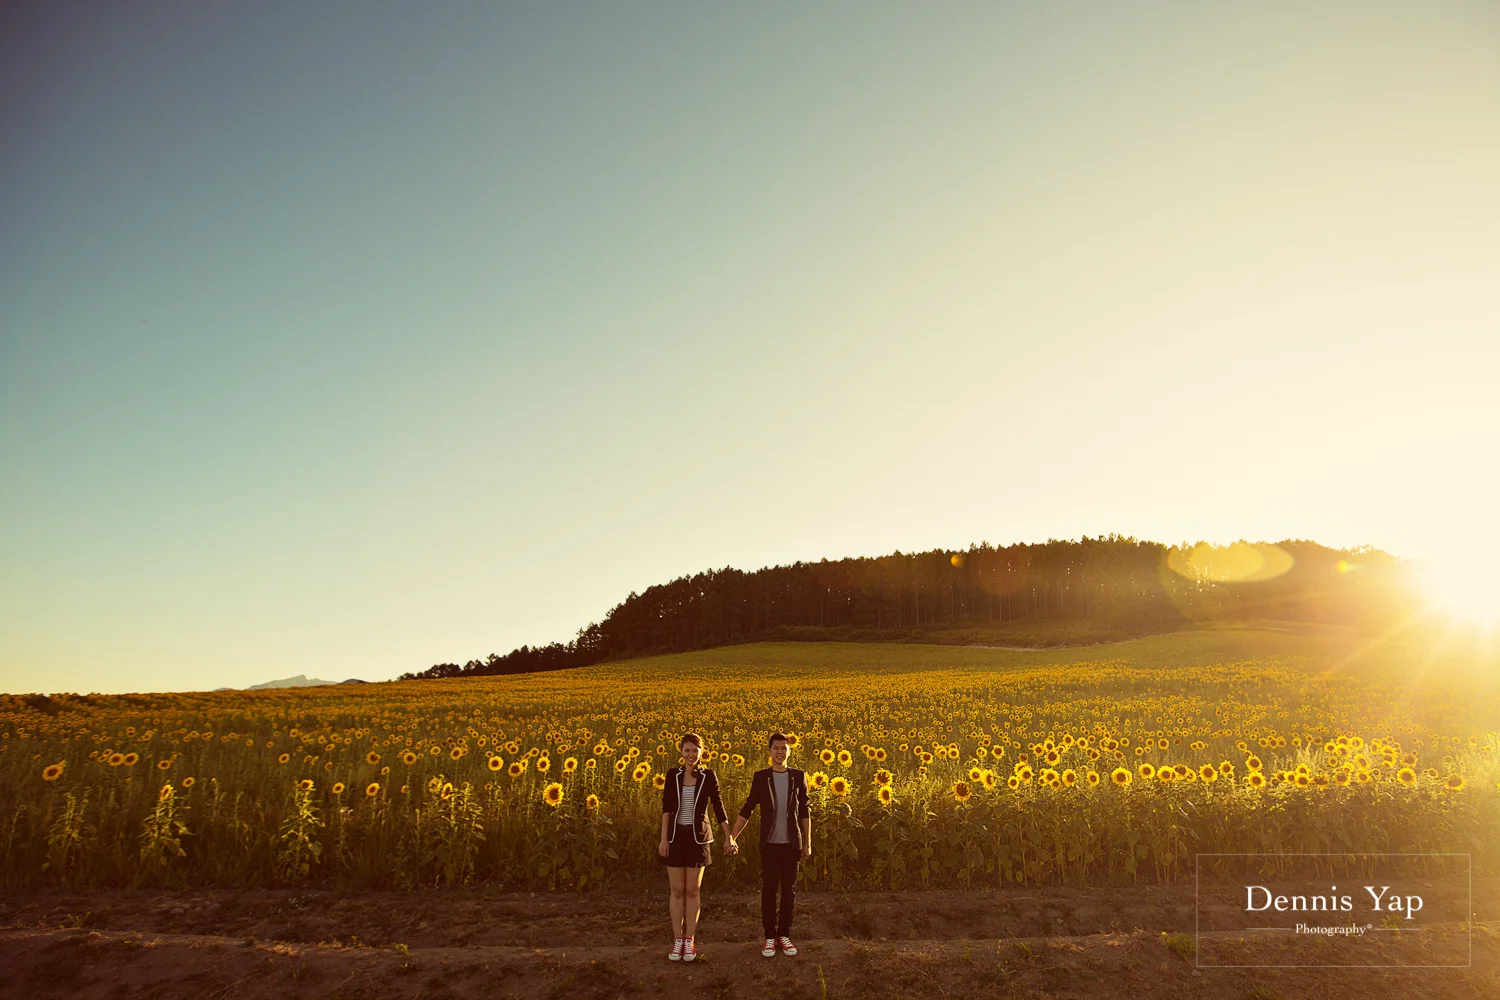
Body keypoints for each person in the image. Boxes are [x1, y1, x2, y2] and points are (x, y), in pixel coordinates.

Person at [726, 732, 811, 958]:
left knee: (789, 892)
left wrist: (807, 843)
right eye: (776, 748)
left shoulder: (798, 776)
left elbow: (804, 811)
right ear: (770, 751)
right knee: (769, 890)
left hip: (792, 844)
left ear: (789, 751)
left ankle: (784, 935)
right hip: (770, 844)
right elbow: (748, 808)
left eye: (784, 748)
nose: (780, 752)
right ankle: (770, 937)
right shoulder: (761, 777)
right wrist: (732, 836)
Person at [658, 732, 728, 963]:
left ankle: (689, 939)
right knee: (677, 890)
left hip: (699, 838)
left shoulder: (708, 775)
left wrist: (729, 837)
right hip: (676, 838)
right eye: (686, 750)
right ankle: (677, 939)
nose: (690, 755)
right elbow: (667, 808)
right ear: (681, 751)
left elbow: (718, 807)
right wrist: (663, 839)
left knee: (693, 891)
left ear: (701, 752)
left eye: (695, 750)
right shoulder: (673, 775)